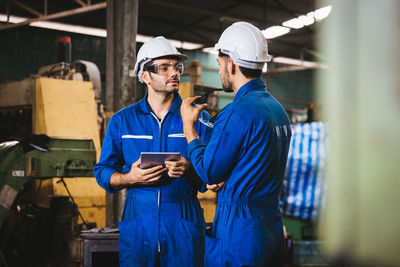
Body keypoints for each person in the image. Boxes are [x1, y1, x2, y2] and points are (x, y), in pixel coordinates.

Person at [94, 36, 213, 267]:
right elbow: (102, 171)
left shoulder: (198, 119)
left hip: (182, 224)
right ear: (145, 76)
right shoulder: (122, 121)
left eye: (177, 67)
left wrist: (189, 169)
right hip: (138, 225)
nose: (175, 73)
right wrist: (130, 177)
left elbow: (212, 174)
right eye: (164, 67)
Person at [181, 22, 292, 266]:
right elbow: (252, 162)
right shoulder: (277, 110)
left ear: (230, 63)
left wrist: (189, 128)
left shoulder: (237, 113)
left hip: (240, 232)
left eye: (220, 64)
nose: (220, 71)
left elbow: (209, 171)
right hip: (270, 226)